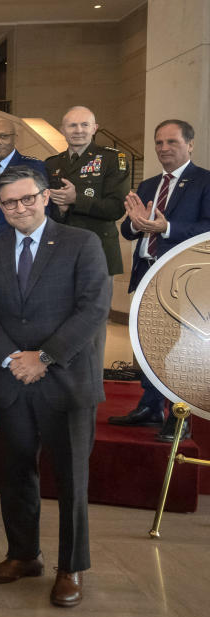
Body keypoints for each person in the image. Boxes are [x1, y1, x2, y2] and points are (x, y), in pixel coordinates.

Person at [0, 165, 110, 608]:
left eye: (27, 198)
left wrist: (44, 357)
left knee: (71, 480)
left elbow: (93, 310)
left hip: (66, 382)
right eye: (10, 202)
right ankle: (23, 555)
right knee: (16, 475)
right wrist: (15, 359)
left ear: (45, 196)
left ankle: (71, 568)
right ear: (1, 206)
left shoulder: (81, 244)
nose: (20, 208)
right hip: (14, 383)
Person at [109, 119, 210, 441]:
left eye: (172, 142)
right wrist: (138, 225)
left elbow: (207, 228)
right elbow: (127, 229)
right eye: (159, 143)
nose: (164, 148)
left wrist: (166, 228)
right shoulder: (149, 184)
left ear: (190, 144)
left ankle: (180, 415)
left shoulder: (204, 182)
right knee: (146, 345)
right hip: (145, 272)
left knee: (177, 349)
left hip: (180, 278)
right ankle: (150, 406)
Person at [44, 106, 129, 278]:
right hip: (60, 249)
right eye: (72, 125)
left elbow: (116, 208)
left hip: (99, 249)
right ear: (62, 130)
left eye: (84, 124)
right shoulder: (51, 164)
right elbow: (45, 210)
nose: (79, 130)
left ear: (94, 128)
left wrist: (76, 199)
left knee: (97, 305)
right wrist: (60, 210)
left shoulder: (112, 159)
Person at [0, 119, 47, 240]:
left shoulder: (33, 167)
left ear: (15, 138)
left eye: (3, 136)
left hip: (19, 241)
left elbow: (43, 210)